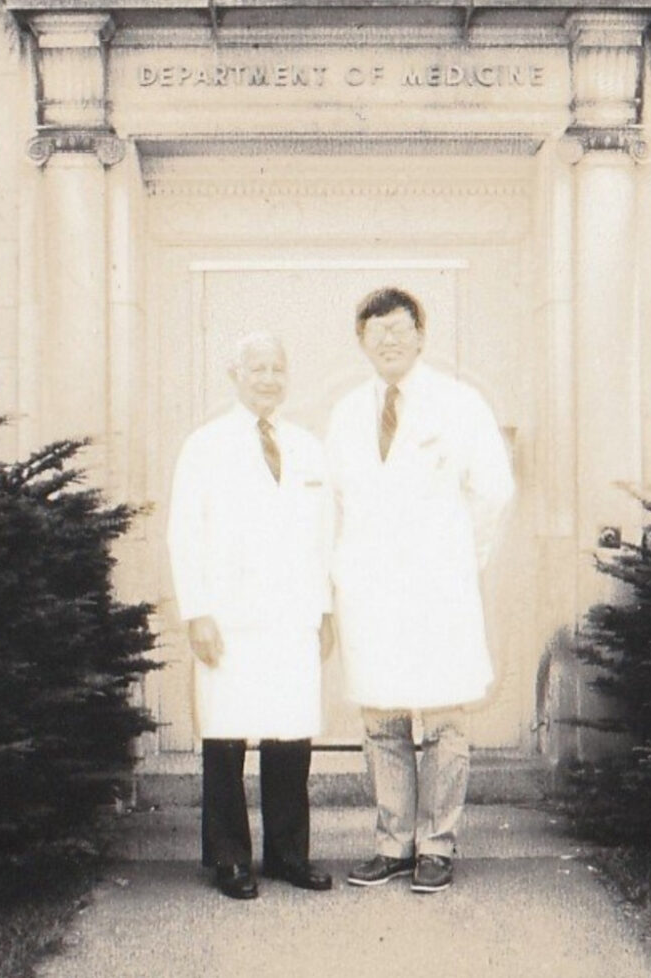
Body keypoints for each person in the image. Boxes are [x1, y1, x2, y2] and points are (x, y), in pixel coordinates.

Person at [325, 287, 515, 894]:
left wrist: (460, 558)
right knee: (381, 722)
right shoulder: (347, 412)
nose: (388, 339)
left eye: (399, 328)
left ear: (421, 336)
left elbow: (494, 493)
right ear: (361, 341)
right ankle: (391, 843)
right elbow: (334, 503)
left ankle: (435, 844)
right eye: (375, 330)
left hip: (437, 589)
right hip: (370, 592)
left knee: (442, 722)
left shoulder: (459, 404)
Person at [166, 331, 335, 900]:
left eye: (277, 368)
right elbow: (184, 535)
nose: (268, 378)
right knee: (227, 733)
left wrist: (325, 609)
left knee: (291, 734)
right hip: (230, 616)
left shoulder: (309, 447)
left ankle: (288, 855)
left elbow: (324, 536)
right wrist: (197, 613)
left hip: (293, 613)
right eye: (257, 368)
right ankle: (229, 858)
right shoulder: (205, 445)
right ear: (234, 376)